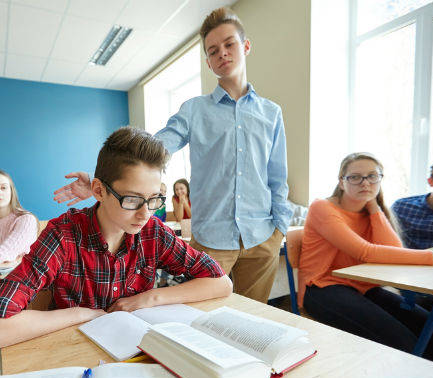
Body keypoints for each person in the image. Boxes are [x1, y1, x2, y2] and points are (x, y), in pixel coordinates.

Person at [52, 7, 291, 303]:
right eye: (213, 50)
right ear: (208, 61)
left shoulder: (271, 113)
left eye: (229, 44)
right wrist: (106, 183)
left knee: (255, 318)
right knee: (205, 320)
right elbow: (154, 148)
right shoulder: (194, 110)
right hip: (213, 239)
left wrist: (279, 228)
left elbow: (277, 176)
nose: (222, 54)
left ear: (246, 46)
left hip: (262, 236)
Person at [0, 127, 232, 353]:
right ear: (98, 191)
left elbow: (221, 283)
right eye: (131, 199)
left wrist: (149, 298)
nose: (145, 213)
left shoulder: (152, 231)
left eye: (153, 199)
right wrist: (80, 314)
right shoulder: (64, 236)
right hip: (69, 352)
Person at [298, 152, 433, 368]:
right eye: (355, 177)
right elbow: (366, 252)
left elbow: (392, 251)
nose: (365, 182)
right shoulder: (322, 207)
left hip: (363, 287)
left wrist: (374, 207)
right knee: (404, 344)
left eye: (372, 176)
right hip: (321, 287)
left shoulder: (369, 210)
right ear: (341, 182)